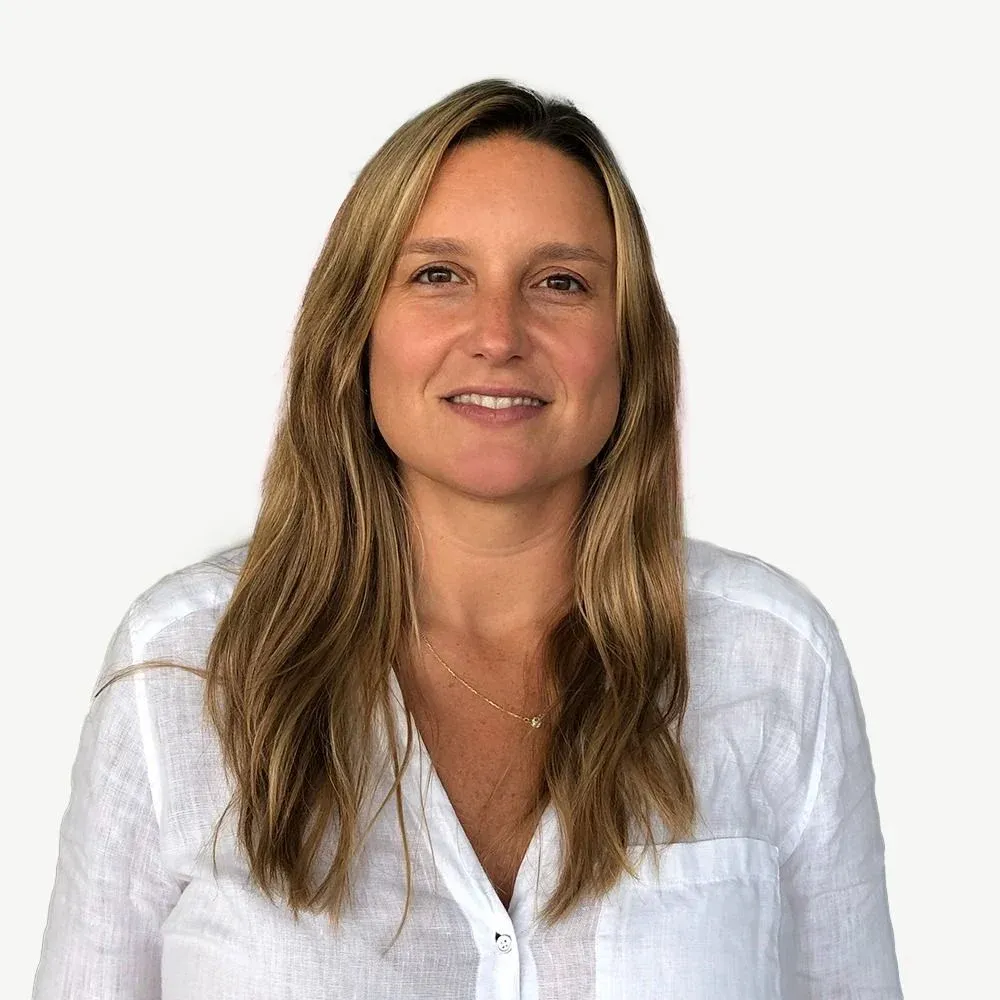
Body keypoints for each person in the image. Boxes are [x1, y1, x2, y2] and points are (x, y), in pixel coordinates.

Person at [33, 78, 903, 999]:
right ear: (356, 329)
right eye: (439, 275)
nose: (497, 335)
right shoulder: (183, 672)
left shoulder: (775, 658)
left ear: (630, 344)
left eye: (560, 283)